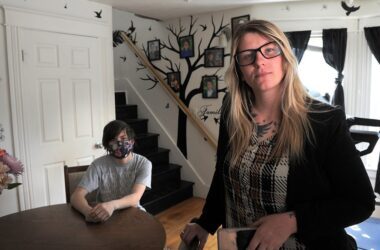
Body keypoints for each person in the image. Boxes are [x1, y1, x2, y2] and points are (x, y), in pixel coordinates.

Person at [180, 19, 375, 249]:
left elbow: (360, 202)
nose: (259, 61)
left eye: (269, 50)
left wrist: (293, 221)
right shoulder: (232, 112)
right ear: (240, 71)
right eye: (247, 55)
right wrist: (205, 222)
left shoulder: (324, 121)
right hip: (239, 243)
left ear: (285, 59)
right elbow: (222, 176)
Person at [71, 120, 152, 223]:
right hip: (104, 216)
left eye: (123, 138)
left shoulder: (143, 163)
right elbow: (76, 196)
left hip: (133, 213)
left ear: (131, 140)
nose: (119, 143)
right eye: (114, 140)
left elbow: (135, 197)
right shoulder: (98, 165)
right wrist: (88, 212)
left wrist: (112, 205)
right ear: (107, 144)